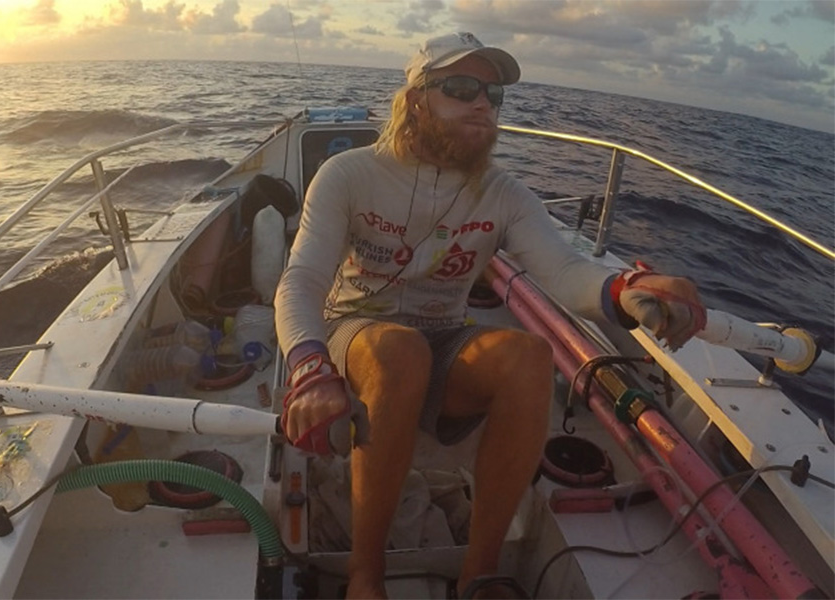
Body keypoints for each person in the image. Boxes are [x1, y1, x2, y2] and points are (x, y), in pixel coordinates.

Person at [273, 32, 706, 599]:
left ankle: (480, 573)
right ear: (417, 99)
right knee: (398, 351)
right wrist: (308, 367)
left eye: (493, 93)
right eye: (460, 87)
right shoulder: (350, 174)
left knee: (529, 355)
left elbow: (564, 271)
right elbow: (301, 280)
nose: (482, 102)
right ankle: (365, 574)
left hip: (443, 338)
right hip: (353, 331)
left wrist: (628, 289)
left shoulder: (503, 193)